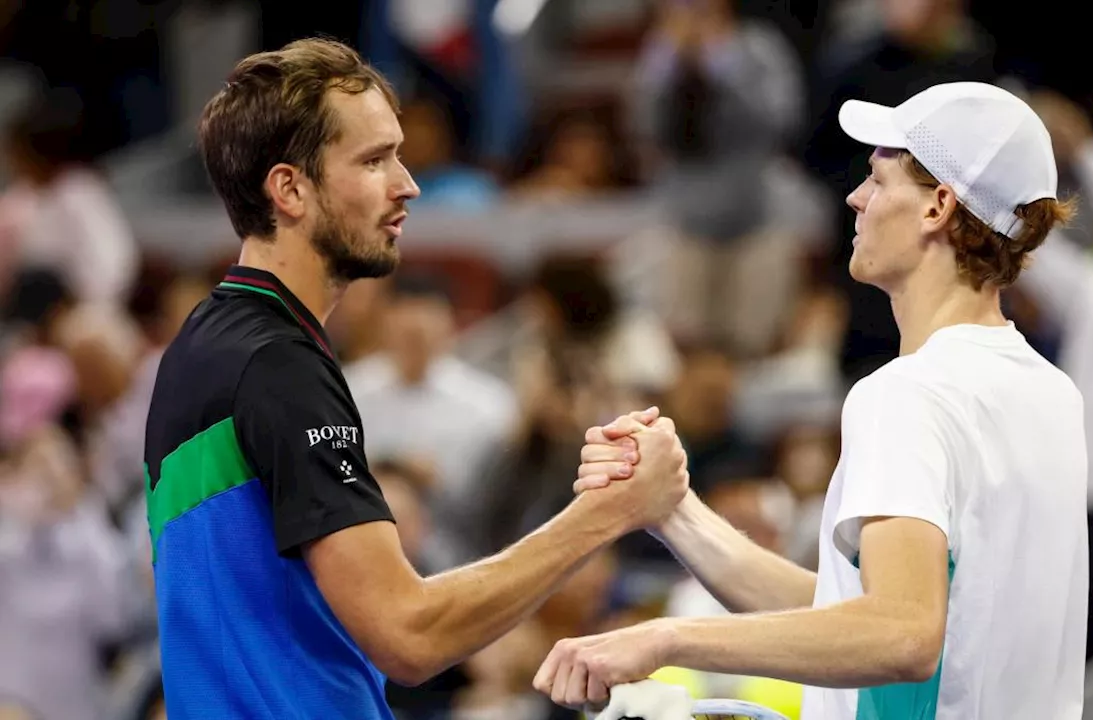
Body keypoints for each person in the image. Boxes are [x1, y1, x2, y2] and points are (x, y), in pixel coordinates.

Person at [142, 38, 689, 719]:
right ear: (289, 189)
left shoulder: (201, 346)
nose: (408, 184)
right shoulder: (277, 364)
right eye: (373, 160)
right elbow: (408, 632)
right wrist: (607, 513)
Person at [536, 82, 1089, 718]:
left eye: (879, 180)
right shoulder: (1051, 392)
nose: (855, 198)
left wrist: (667, 637)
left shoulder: (906, 395)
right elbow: (848, 614)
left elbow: (902, 635)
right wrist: (674, 510)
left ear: (939, 206)